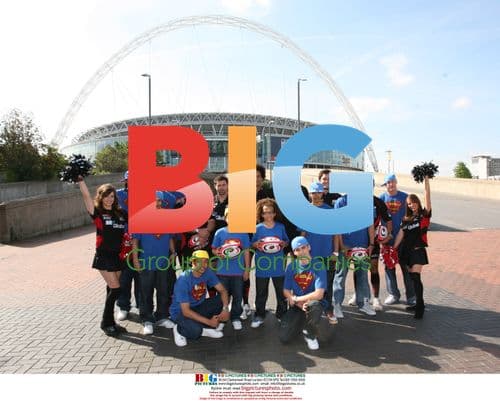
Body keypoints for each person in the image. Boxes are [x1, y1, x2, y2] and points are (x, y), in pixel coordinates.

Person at [78, 177, 127, 337]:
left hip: (118, 256)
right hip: (104, 256)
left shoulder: (120, 213)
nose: (109, 199)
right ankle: (105, 323)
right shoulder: (97, 213)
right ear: (101, 197)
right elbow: (86, 197)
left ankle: (111, 322)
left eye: (112, 196)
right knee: (116, 289)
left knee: (111, 290)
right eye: (106, 196)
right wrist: (80, 180)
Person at [131, 191, 177, 335]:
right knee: (145, 292)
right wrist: (135, 259)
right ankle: (147, 319)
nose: (156, 203)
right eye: (153, 200)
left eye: (159, 200)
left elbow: (169, 237)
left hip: (162, 262)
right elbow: (135, 241)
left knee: (164, 290)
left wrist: (173, 252)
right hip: (147, 262)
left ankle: (162, 316)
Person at [169, 250, 231, 347]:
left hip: (198, 306)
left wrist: (225, 309)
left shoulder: (208, 272)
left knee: (221, 300)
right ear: (193, 262)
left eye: (205, 262)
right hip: (180, 312)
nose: (203, 265)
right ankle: (178, 329)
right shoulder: (184, 279)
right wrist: (210, 322)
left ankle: (204, 328)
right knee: (195, 332)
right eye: (199, 261)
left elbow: (223, 291)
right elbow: (186, 311)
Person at [279, 236, 330, 350]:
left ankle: (310, 334)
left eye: (303, 248)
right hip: (298, 305)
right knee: (284, 337)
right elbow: (286, 290)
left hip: (313, 304)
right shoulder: (291, 267)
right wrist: (297, 302)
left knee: (315, 306)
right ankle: (302, 322)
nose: (301, 251)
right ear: (294, 253)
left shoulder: (318, 265)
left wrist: (297, 299)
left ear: (309, 247)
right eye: (297, 249)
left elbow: (319, 294)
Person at [332, 194, 377, 318]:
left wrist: (371, 244)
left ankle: (364, 303)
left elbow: (370, 225)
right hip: (345, 246)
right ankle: (336, 304)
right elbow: (337, 226)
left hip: (362, 246)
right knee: (340, 276)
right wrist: (342, 246)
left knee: (362, 275)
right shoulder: (341, 202)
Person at [394, 176, 432, 319]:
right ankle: (417, 303)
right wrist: (393, 248)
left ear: (417, 202)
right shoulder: (406, 219)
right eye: (409, 204)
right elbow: (400, 234)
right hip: (406, 253)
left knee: (416, 278)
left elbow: (428, 199)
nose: (411, 205)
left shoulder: (424, 216)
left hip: (418, 251)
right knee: (411, 278)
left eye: (414, 202)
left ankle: (420, 306)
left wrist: (426, 182)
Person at [348, 193, 393, 311]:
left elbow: (388, 220)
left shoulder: (378, 202)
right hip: (360, 241)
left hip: (374, 241)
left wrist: (388, 235)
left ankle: (376, 299)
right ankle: (357, 294)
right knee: (358, 268)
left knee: (373, 268)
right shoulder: (356, 201)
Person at [300, 182, 337, 324]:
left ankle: (328, 310)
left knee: (326, 284)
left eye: (318, 192)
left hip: (327, 254)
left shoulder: (330, 210)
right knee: (309, 284)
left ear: (322, 193)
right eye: (313, 192)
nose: (315, 195)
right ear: (309, 194)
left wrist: (335, 252)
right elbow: (302, 234)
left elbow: (335, 234)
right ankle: (309, 310)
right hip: (310, 255)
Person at [250, 198, 289, 328]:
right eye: (265, 212)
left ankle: (282, 314)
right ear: (261, 214)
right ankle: (259, 315)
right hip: (262, 264)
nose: (268, 215)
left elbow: (286, 241)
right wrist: (256, 244)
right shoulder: (257, 228)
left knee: (280, 291)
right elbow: (252, 243)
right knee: (261, 291)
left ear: (275, 213)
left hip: (278, 263)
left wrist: (284, 244)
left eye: (271, 212)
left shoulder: (280, 227)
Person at [379, 174, 416, 306]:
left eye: (393, 182)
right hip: (387, 240)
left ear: (396, 183)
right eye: (388, 183)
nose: (391, 185)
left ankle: (411, 295)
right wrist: (382, 239)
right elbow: (377, 220)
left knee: (406, 268)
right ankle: (393, 293)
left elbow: (410, 218)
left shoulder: (405, 197)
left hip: (404, 239)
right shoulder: (381, 198)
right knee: (389, 267)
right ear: (385, 185)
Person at [212, 207, 251, 331]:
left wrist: (247, 269)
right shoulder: (220, 232)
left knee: (238, 296)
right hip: (222, 271)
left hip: (238, 271)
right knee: (223, 296)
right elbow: (214, 249)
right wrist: (218, 253)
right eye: (229, 216)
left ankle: (235, 317)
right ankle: (222, 318)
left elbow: (246, 252)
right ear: (226, 217)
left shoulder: (243, 233)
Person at [115, 170, 141, 322]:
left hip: (141, 240)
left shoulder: (146, 194)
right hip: (123, 242)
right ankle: (123, 306)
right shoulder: (118, 194)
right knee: (124, 278)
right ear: (125, 181)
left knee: (141, 277)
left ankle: (141, 305)